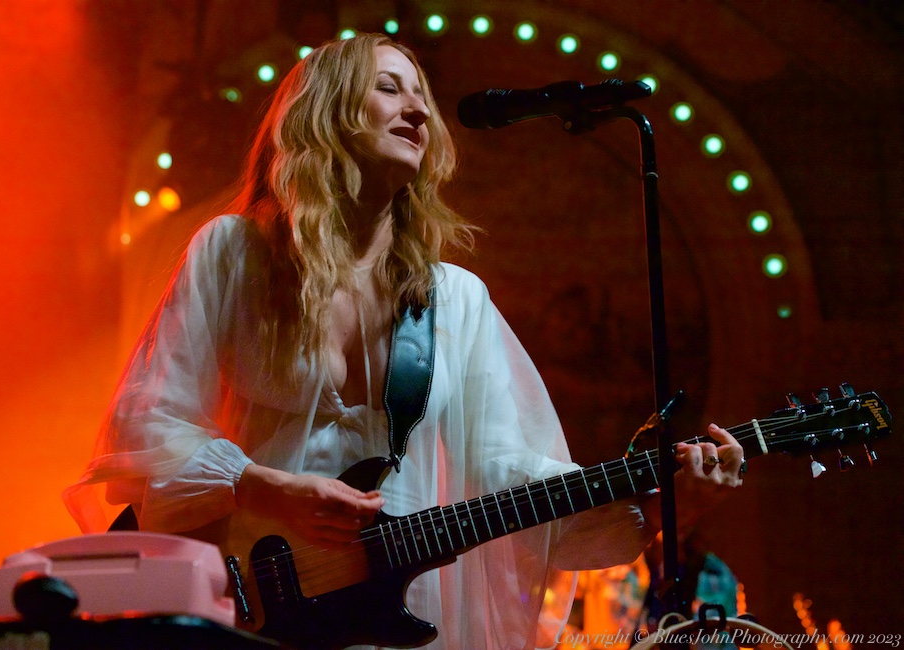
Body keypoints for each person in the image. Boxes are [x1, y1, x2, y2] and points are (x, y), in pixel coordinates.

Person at [64, 33, 744, 650]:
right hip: (242, 597)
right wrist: (263, 487)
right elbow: (145, 421)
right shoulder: (235, 252)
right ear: (324, 112)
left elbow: (507, 475)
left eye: (421, 94)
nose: (418, 110)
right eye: (388, 87)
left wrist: (660, 504)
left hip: (397, 609)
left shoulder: (454, 298)